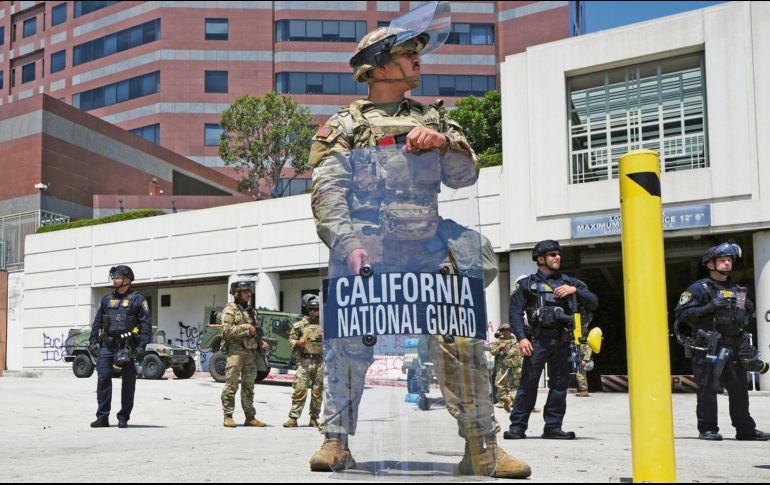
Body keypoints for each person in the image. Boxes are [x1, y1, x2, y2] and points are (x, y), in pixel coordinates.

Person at [307, 13, 530, 479]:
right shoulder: (344, 125)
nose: (417, 60)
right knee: (348, 343)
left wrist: (445, 143)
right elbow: (328, 193)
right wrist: (347, 244)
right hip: (369, 252)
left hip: (428, 248)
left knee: (460, 341)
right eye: (408, 53)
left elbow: (464, 177)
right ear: (378, 66)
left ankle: (483, 448)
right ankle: (336, 441)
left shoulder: (434, 119)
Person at [674, 241, 769, 441]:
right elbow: (681, 314)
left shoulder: (739, 290)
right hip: (709, 348)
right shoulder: (699, 288)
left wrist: (748, 311)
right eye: (722, 260)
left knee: (739, 391)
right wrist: (709, 307)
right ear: (710, 264)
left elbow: (742, 319)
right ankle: (708, 429)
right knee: (708, 390)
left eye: (729, 260)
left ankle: (745, 430)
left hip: (734, 348)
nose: (727, 263)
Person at [504, 240, 598, 440]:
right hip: (537, 341)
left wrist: (575, 291)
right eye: (552, 254)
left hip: (563, 340)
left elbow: (593, 301)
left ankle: (553, 427)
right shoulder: (526, 284)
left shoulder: (570, 282)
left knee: (559, 385)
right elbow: (515, 313)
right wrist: (521, 338)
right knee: (528, 384)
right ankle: (517, 427)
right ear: (540, 259)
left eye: (558, 254)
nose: (557, 257)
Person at [88, 265, 152, 428]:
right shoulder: (106, 299)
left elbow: (146, 325)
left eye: (118, 278)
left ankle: (123, 417)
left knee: (128, 383)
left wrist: (142, 346)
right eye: (114, 277)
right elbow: (97, 322)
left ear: (127, 280)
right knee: (103, 379)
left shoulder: (138, 299)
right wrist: (93, 341)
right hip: (107, 346)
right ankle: (102, 417)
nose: (114, 280)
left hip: (128, 347)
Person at [220, 280, 270, 428]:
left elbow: (256, 332)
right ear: (237, 293)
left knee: (249, 387)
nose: (249, 294)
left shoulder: (251, 311)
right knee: (231, 385)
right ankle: (228, 416)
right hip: (235, 353)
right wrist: (246, 328)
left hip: (250, 353)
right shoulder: (230, 309)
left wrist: (262, 343)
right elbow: (226, 330)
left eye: (249, 291)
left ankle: (250, 417)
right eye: (245, 291)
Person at [283, 294, 324, 428]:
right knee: (299, 389)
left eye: (316, 309)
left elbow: (335, 342)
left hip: (320, 362)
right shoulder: (300, 325)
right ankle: (293, 418)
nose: (314, 312)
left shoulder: (325, 325)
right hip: (304, 361)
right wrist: (298, 342)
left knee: (317, 391)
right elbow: (290, 340)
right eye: (311, 309)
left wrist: (326, 336)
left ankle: (314, 418)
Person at [490, 323, 522, 412]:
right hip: (502, 366)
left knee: (515, 384)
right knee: (500, 384)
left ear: (511, 330)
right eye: (503, 330)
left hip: (515, 367)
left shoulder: (516, 340)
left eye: (507, 330)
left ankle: (513, 401)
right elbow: (492, 352)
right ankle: (502, 401)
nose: (505, 332)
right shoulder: (497, 341)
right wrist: (500, 347)